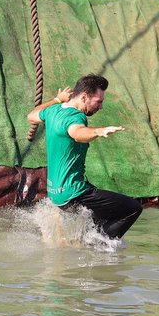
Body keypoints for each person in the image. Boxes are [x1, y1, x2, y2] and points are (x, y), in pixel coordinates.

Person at [27, 74, 143, 240]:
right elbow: (77, 133)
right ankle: (100, 246)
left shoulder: (53, 110)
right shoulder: (75, 117)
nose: (101, 107)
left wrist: (57, 99)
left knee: (101, 217)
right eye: (99, 101)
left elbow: (32, 115)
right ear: (83, 97)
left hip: (55, 193)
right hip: (73, 192)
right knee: (133, 208)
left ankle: (84, 244)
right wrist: (98, 131)